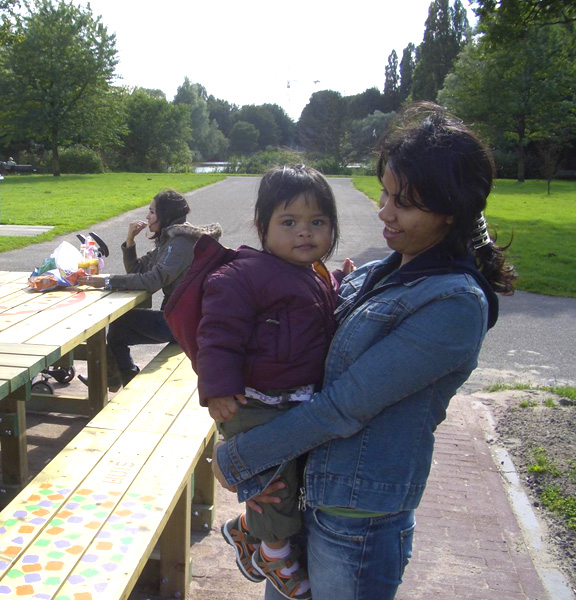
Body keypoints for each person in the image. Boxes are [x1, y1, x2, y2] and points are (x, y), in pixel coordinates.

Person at [212, 102, 516, 600]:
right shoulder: (382, 271)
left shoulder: (454, 303)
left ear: (451, 212)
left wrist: (240, 458)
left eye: (404, 203)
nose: (384, 211)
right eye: (386, 193)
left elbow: (344, 405)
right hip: (305, 495)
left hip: (357, 519)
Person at [171, 165, 349, 599]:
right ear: (262, 227)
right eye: (289, 222)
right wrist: (216, 388)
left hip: (291, 399)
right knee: (275, 484)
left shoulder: (315, 274)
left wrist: (343, 281)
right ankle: (272, 550)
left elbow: (319, 312)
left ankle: (250, 531)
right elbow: (218, 333)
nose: (304, 233)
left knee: (285, 475)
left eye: (317, 222)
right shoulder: (244, 275)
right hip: (252, 402)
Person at [78, 189, 221, 390]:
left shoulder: (180, 242)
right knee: (119, 329)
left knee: (120, 324)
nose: (147, 217)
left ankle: (121, 379)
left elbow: (153, 280)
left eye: (152, 212)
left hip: (187, 323)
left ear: (166, 215)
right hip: (179, 317)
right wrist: (130, 240)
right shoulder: (170, 239)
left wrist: (108, 281)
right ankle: (120, 378)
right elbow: (137, 270)